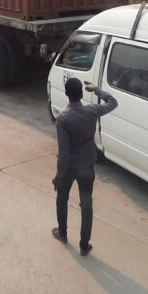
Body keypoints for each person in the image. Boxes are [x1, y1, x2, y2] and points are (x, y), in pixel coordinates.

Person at [52, 78, 118, 256]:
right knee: (87, 205)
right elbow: (113, 102)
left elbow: (64, 154)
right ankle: (84, 245)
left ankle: (63, 234)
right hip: (87, 166)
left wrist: (59, 175)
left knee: (62, 200)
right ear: (81, 93)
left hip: (70, 168)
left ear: (67, 94)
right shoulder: (92, 111)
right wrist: (97, 90)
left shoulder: (63, 119)